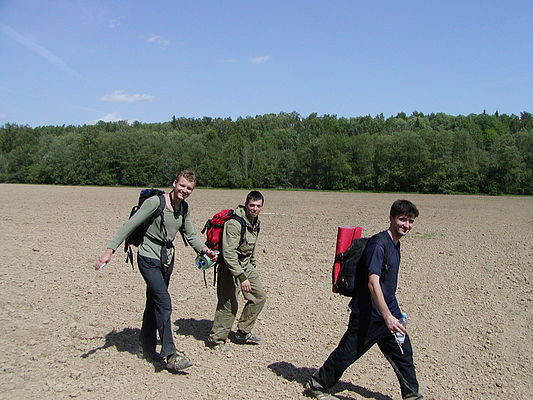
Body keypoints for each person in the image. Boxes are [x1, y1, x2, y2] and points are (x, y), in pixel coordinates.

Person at [95, 170, 217, 372]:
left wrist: (205, 250)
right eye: (182, 185)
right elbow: (129, 225)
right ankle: (170, 354)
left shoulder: (184, 208)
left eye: (189, 188)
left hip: (166, 260)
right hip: (148, 257)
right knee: (164, 302)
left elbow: (190, 235)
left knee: (154, 302)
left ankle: (146, 346)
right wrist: (109, 251)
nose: (184, 190)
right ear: (174, 183)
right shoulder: (155, 203)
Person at [306, 200, 423, 400]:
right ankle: (317, 384)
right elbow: (372, 283)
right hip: (369, 315)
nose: (407, 225)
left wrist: (391, 315)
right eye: (403, 219)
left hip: (389, 312)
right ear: (391, 218)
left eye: (410, 221)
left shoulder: (395, 244)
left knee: (404, 355)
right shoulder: (378, 245)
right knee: (347, 353)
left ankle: (412, 395)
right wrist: (387, 317)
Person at [208, 191, 267, 350]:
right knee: (228, 305)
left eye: (258, 206)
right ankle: (217, 340)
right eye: (252, 205)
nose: (255, 209)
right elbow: (229, 254)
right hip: (230, 267)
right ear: (246, 204)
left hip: (245, 264)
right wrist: (242, 277)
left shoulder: (255, 222)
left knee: (259, 297)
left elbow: (251, 246)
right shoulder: (234, 224)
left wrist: (252, 264)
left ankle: (243, 332)